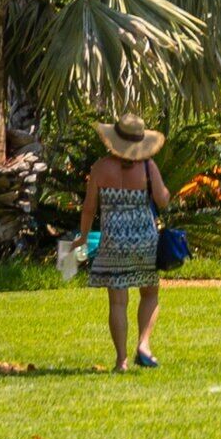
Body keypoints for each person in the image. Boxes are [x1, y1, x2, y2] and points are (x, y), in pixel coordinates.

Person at [80, 116, 172, 370]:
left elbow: (89, 208)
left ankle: (121, 360)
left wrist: (83, 236)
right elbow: (163, 200)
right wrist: (164, 193)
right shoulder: (148, 167)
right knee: (150, 293)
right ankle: (143, 344)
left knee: (118, 301)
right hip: (144, 239)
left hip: (113, 241)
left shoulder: (100, 168)